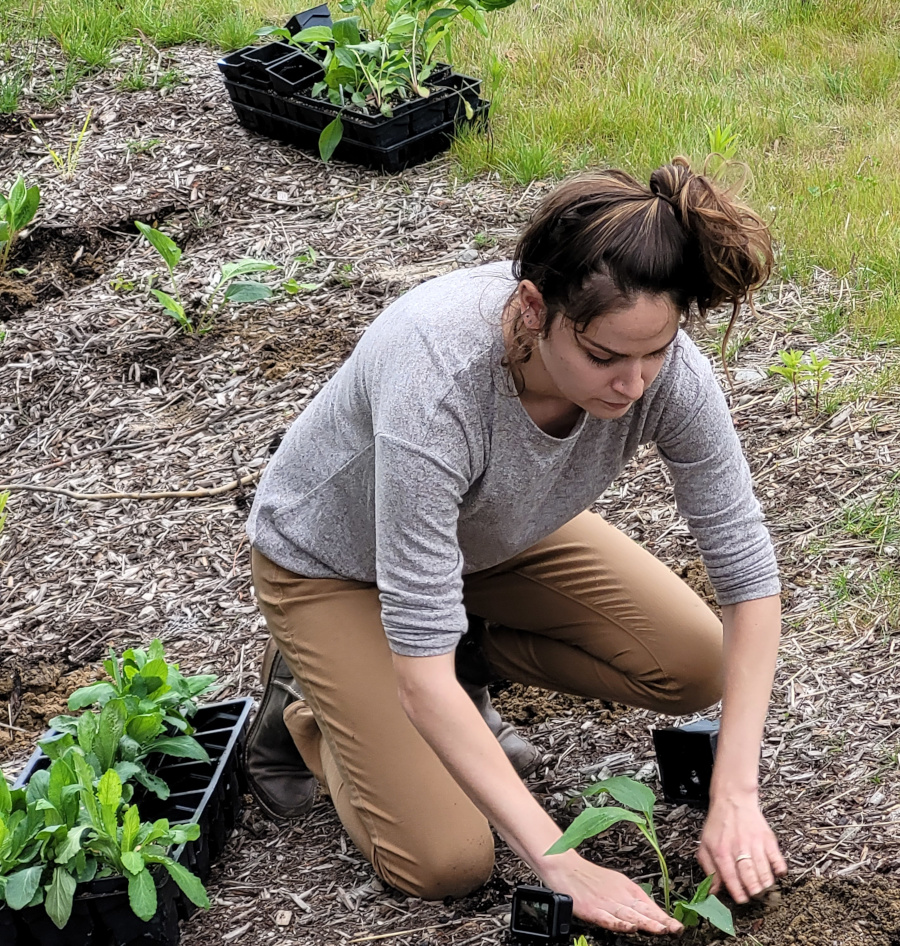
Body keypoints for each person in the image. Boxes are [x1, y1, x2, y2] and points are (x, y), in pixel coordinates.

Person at [243, 157, 788, 936]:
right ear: (533, 308)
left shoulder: (664, 374)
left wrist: (736, 795)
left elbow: (747, 572)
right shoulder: (436, 374)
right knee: (445, 862)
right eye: (604, 357)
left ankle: (458, 661)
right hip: (333, 564)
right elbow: (423, 675)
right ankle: (308, 708)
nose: (635, 384)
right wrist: (560, 860)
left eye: (656, 352)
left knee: (695, 662)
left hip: (489, 537)